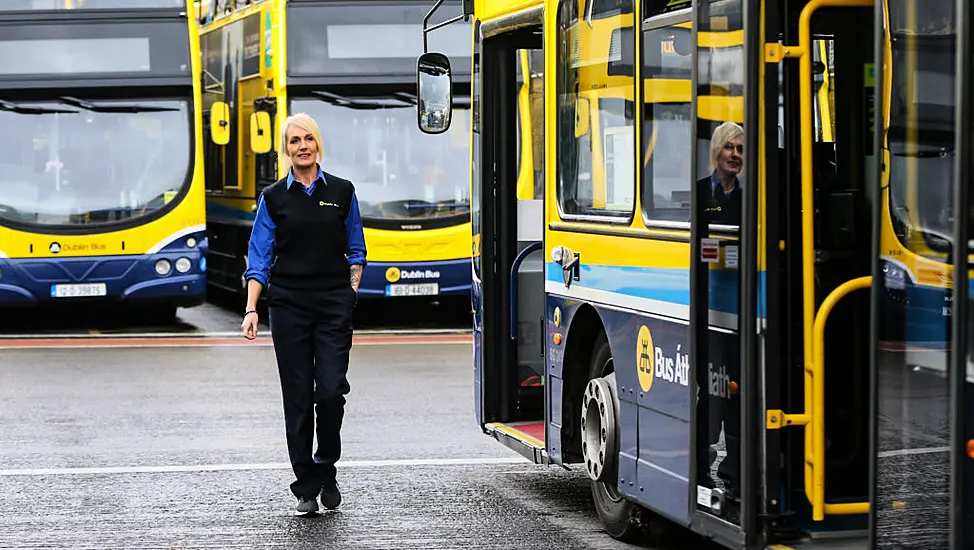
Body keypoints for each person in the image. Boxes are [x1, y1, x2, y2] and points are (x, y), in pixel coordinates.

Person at [240, 112, 367, 515]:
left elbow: (357, 250)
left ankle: (326, 466)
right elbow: (258, 257)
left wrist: (348, 295)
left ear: (318, 144)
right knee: (297, 398)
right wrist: (251, 309)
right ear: (286, 149)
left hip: (332, 305)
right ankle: (307, 486)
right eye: (294, 141)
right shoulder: (274, 198)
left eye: (308, 138)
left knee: (330, 393)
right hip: (289, 305)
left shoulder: (343, 192)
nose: (302, 146)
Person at [697, 121, 743, 226]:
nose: (735, 154)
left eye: (740, 149)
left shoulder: (751, 198)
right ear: (716, 151)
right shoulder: (698, 192)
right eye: (729, 147)